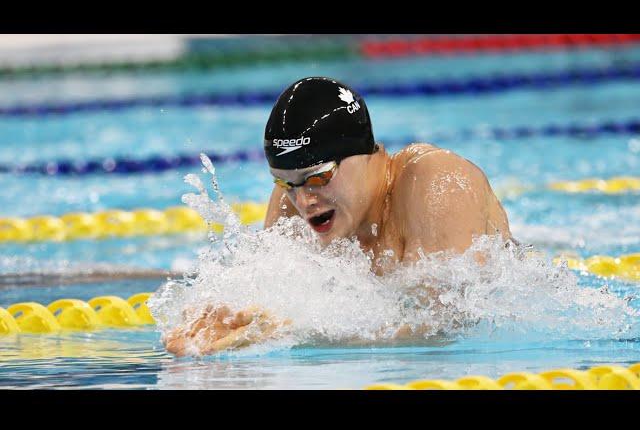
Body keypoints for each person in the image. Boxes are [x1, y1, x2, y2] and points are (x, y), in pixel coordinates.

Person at [164, 77, 512, 356]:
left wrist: (297, 330)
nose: (303, 200)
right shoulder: (292, 205)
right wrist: (230, 321)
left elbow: (443, 326)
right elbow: (272, 303)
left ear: (364, 154)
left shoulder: (435, 183)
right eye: (286, 183)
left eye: (318, 178)